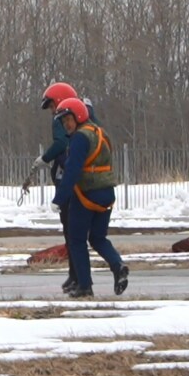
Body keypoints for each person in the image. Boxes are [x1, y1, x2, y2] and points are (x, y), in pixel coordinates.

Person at [22, 82, 99, 295]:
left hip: (67, 180)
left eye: (51, 107)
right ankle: (75, 276)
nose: (52, 113)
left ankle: (78, 278)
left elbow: (59, 144)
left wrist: (44, 159)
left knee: (72, 233)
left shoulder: (63, 119)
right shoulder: (87, 117)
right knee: (75, 234)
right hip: (84, 181)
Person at [51, 97, 127, 298]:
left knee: (76, 240)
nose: (66, 124)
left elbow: (72, 170)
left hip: (85, 195)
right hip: (107, 194)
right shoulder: (102, 133)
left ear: (79, 116)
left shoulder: (80, 138)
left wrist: (59, 199)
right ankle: (117, 265)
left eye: (68, 119)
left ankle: (85, 286)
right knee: (98, 238)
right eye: (63, 121)